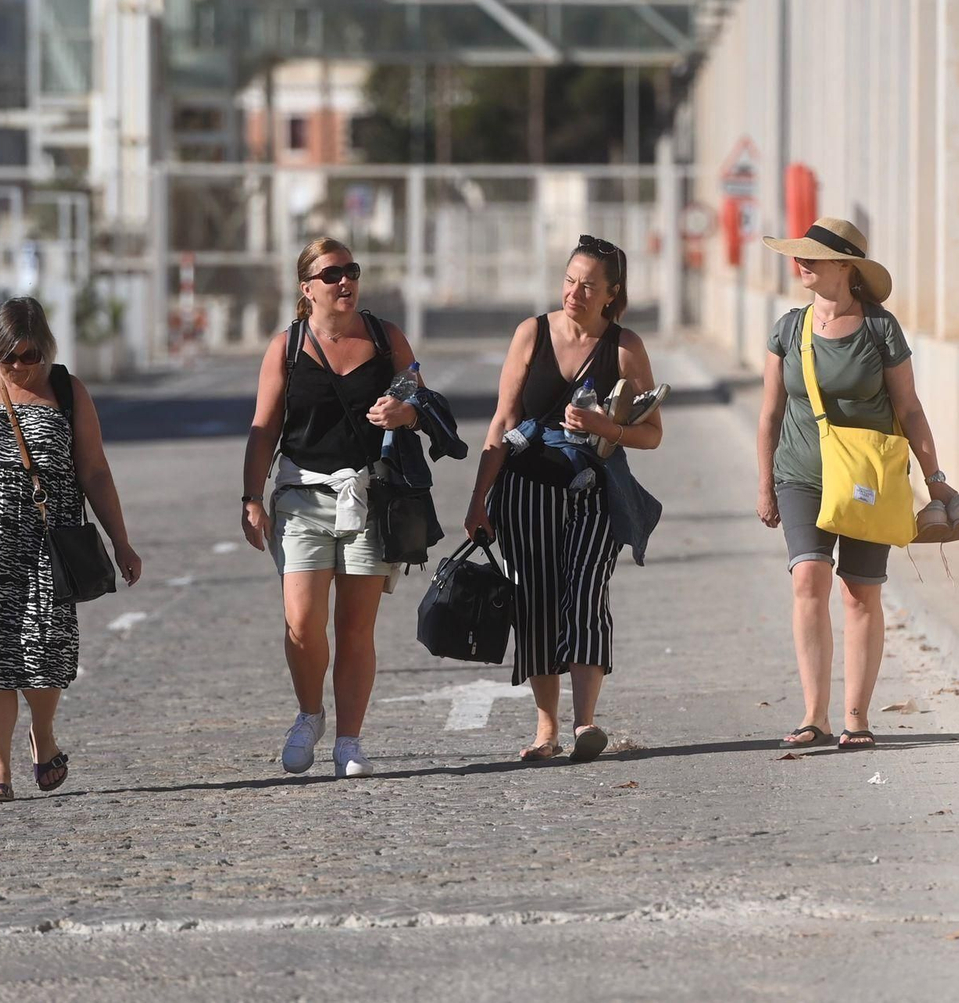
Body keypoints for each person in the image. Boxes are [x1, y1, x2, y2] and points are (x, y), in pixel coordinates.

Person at [0, 297, 142, 802]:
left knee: (43, 648)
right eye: (6, 356)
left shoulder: (68, 391)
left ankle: (44, 734)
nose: (17, 366)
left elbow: (95, 471)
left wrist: (121, 541)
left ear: (46, 348)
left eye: (29, 355)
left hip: (47, 545)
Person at [757, 217, 959, 750]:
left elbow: (910, 409)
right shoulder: (787, 329)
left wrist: (935, 479)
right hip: (801, 474)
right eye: (799, 254)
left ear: (846, 268)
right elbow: (770, 413)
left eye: (813, 256)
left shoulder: (880, 328)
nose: (801, 262)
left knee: (860, 592)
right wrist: (765, 484)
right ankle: (814, 715)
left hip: (869, 478)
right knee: (808, 580)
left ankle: (857, 717)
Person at [464, 235, 663, 764]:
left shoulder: (625, 348)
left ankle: (585, 723)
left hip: (595, 491)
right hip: (526, 489)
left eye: (589, 286)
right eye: (570, 281)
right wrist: (479, 498)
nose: (575, 293)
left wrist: (604, 427)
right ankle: (546, 728)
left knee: (587, 596)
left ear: (611, 293)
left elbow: (652, 433)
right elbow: (504, 419)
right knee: (535, 602)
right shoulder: (531, 333)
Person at [241, 237, 421, 778]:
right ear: (307, 289)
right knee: (301, 623)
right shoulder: (287, 347)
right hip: (301, 497)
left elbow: (423, 402)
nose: (345, 281)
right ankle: (309, 714)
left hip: (369, 498)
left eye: (351, 271)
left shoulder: (386, 339)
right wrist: (251, 497)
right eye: (331, 275)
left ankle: (349, 741)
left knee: (355, 628)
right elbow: (264, 428)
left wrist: (405, 413)